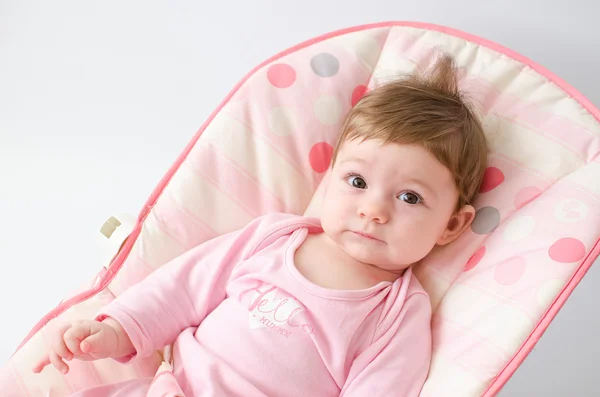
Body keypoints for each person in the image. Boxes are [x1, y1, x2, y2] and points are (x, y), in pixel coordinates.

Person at [31, 54, 488, 397]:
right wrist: (117, 332)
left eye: (410, 197)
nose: (373, 209)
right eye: (357, 181)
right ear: (329, 178)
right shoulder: (273, 237)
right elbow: (182, 289)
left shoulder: (397, 313)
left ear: (451, 224)